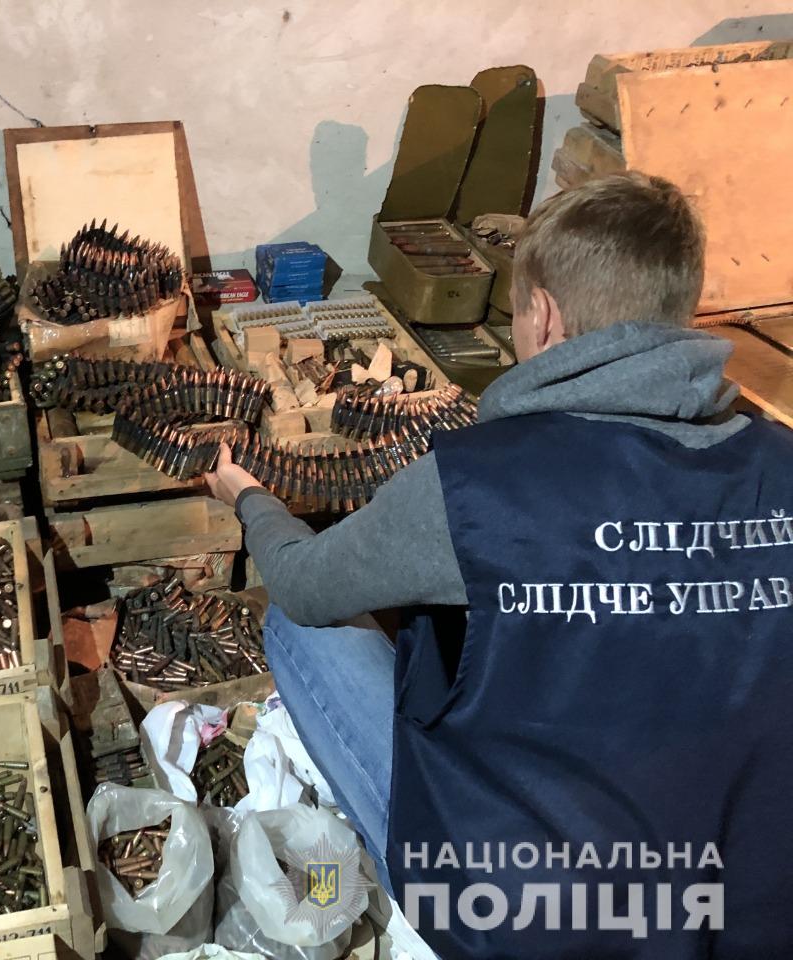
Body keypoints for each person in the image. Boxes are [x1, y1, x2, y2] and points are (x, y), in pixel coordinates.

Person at [205, 172, 793, 957]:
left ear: (542, 315)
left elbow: (305, 583)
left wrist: (249, 498)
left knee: (298, 624)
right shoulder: (781, 466)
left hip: (526, 918)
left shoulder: (479, 485)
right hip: (750, 910)